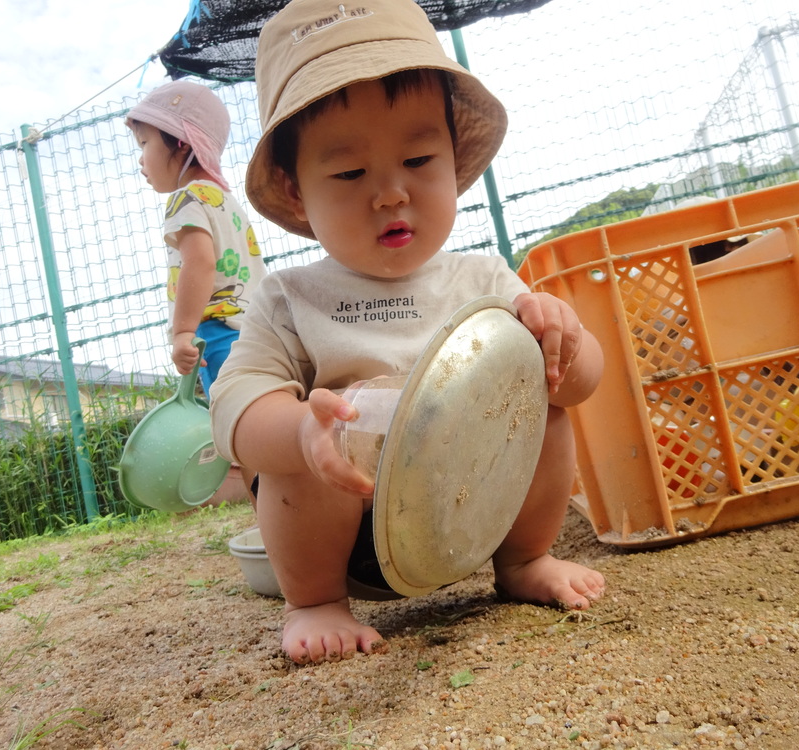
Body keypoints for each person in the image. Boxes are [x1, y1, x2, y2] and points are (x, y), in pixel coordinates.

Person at [210, 0, 606, 665]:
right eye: (349, 173)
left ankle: (525, 559)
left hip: (477, 506)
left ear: (454, 161)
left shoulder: (485, 281)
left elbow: (583, 383)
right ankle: (312, 601)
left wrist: (564, 339)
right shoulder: (289, 298)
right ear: (296, 190)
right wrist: (304, 431)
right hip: (354, 530)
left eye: (419, 159)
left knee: (544, 400)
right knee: (305, 453)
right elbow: (233, 407)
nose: (390, 193)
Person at [127, 80, 265, 503]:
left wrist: (183, 333)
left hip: (221, 334)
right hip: (259, 331)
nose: (140, 159)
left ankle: (274, 518)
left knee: (242, 433)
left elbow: (199, 262)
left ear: (182, 145)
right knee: (261, 423)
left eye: (146, 143)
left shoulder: (186, 199)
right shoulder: (225, 201)